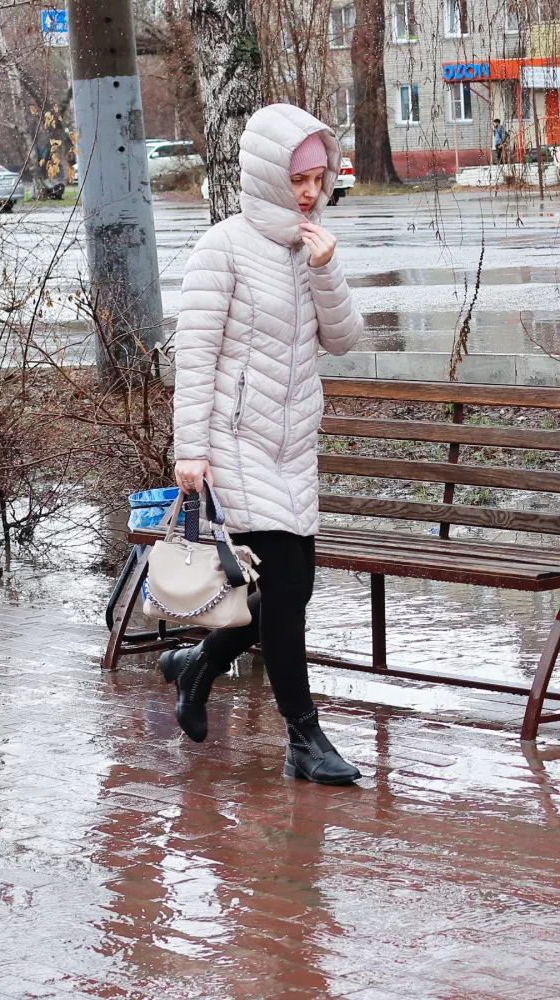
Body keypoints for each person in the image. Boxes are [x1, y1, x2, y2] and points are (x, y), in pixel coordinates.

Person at [162, 103, 367, 786]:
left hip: (292, 447)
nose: (310, 191)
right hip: (234, 442)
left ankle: (198, 666)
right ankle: (304, 739)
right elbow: (194, 354)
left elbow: (343, 342)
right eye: (298, 178)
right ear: (267, 175)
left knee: (290, 592)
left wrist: (327, 271)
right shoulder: (223, 248)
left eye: (318, 177)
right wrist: (190, 447)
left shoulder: (313, 247)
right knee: (281, 591)